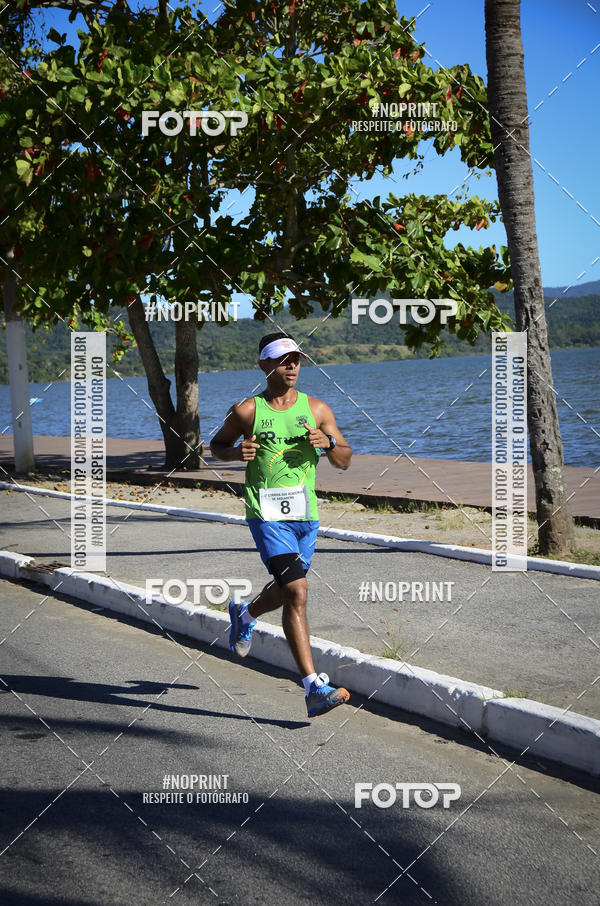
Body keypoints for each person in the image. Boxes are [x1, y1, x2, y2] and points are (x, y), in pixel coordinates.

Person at [210, 332, 353, 717]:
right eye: (283, 359)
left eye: (297, 360)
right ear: (264, 365)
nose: (292, 366)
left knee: (288, 592)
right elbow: (215, 446)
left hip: (306, 518)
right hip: (267, 515)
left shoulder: (317, 408)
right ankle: (312, 688)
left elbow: (345, 459)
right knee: (298, 591)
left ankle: (246, 615)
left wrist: (328, 444)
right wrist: (234, 452)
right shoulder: (246, 411)